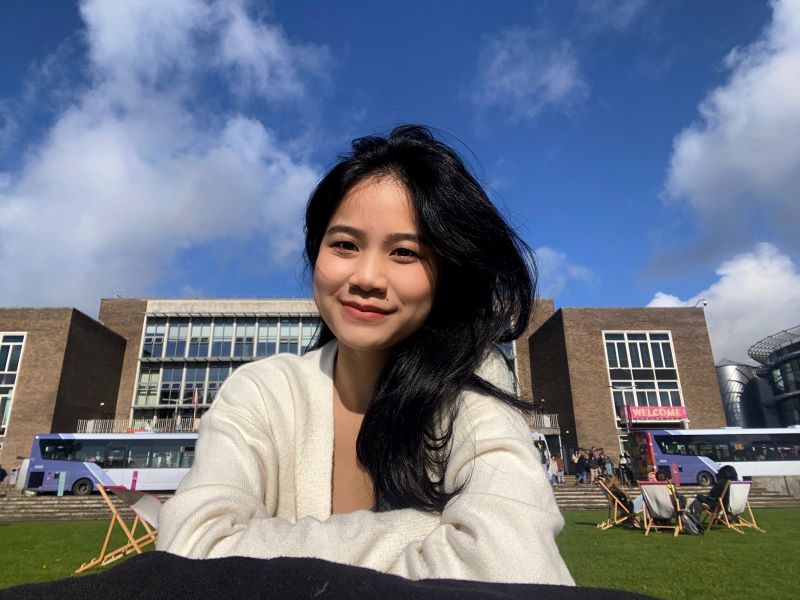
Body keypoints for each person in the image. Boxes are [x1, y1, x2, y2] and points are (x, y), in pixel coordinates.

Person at [156, 125, 574, 585]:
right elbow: (187, 553)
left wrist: (264, 553)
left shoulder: (473, 379)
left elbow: (515, 562)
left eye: (404, 252)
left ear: (447, 272)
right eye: (345, 245)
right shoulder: (260, 391)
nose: (367, 277)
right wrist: (432, 531)